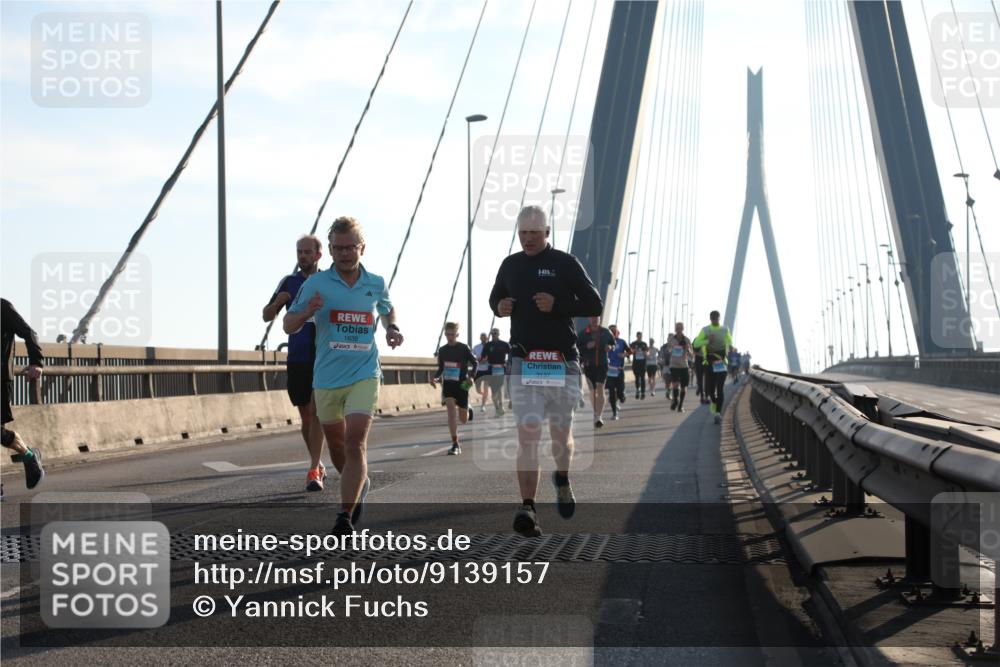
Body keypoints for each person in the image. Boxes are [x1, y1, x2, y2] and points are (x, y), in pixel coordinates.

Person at [284, 216, 403, 536]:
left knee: (355, 442)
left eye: (351, 247)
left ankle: (344, 516)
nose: (345, 254)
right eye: (338, 248)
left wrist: (392, 327)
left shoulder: (375, 282)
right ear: (331, 251)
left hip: (365, 372)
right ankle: (357, 482)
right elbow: (288, 325)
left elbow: (387, 308)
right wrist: (308, 311)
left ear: (362, 248)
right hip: (325, 377)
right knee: (337, 446)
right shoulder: (315, 284)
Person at [489, 205, 602, 537]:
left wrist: (558, 306)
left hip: (561, 362)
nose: (528, 239)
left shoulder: (564, 263)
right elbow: (495, 297)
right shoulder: (510, 265)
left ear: (547, 232)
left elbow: (594, 304)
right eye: (522, 232)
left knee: (560, 438)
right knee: (528, 436)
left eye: (534, 233)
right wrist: (500, 307)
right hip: (524, 362)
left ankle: (563, 478)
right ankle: (528, 508)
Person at [262, 235, 328, 491]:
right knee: (305, 416)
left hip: (322, 356)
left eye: (307, 252)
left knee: (315, 411)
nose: (303, 256)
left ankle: (313, 469)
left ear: (318, 255)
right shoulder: (288, 282)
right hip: (297, 358)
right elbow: (266, 316)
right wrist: (277, 303)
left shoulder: (327, 281)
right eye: (299, 252)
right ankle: (318, 462)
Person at [1, 299, 45, 492]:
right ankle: (29, 456)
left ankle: (28, 457)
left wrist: (36, 362)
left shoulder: (3, 308)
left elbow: (29, 333)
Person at [430, 322, 477, 455]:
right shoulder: (443, 350)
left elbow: (475, 363)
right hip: (449, 385)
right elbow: (441, 368)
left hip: (462, 385)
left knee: (463, 419)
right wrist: (435, 378)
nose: (450, 337)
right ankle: (455, 444)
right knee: (450, 410)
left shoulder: (464, 348)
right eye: (448, 334)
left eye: (452, 334)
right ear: (445, 334)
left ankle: (468, 407)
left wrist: (472, 377)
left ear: (457, 334)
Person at [692, 310, 733, 425]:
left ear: (719, 318)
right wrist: (707, 340)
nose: (715, 320)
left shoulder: (725, 329)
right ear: (710, 319)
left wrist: (727, 343)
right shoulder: (705, 330)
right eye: (713, 319)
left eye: (717, 318)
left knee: (720, 388)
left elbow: (730, 341)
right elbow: (696, 344)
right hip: (709, 362)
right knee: (710, 390)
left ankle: (718, 413)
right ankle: (714, 404)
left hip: (721, 362)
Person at [577, 315, 614, 428]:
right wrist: (586, 346)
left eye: (596, 318)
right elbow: (576, 349)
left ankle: (599, 416)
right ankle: (595, 412)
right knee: (592, 391)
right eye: (592, 318)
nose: (594, 320)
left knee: (600, 388)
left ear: (600, 319)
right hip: (589, 365)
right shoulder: (583, 334)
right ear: (589, 319)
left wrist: (610, 347)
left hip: (602, 365)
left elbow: (613, 343)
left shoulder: (606, 332)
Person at [661, 322, 693, 412]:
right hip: (674, 365)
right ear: (675, 329)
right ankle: (675, 400)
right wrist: (673, 347)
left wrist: (687, 348)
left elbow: (691, 353)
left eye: (680, 328)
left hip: (684, 365)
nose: (678, 329)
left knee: (684, 387)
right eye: (677, 328)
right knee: (675, 385)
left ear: (683, 328)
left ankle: (681, 405)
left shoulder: (687, 340)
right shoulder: (671, 339)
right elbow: (668, 350)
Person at [481, 328, 511, 417]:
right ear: (491, 334)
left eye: (495, 333)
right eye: (492, 333)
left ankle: (500, 407)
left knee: (499, 389)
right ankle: (497, 408)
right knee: (494, 391)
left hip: (501, 368)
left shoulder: (504, 344)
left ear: (499, 334)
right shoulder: (488, 345)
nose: (494, 334)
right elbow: (483, 357)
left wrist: (509, 364)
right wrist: (482, 360)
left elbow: (511, 354)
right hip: (491, 369)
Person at [606, 324, 629, 420]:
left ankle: (621, 395)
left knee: (621, 395)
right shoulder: (605, 342)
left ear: (617, 332)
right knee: (611, 392)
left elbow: (630, 352)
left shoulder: (622, 342)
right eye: (611, 331)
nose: (613, 333)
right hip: (609, 371)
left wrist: (624, 354)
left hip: (619, 371)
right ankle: (615, 413)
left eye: (614, 331)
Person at [472, 332, 490, 413]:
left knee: (486, 387)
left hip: (487, 370)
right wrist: (477, 359)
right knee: (478, 389)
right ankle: (484, 395)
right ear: (480, 338)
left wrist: (487, 359)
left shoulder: (490, 346)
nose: (483, 338)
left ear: (487, 338)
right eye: (482, 337)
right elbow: (472, 356)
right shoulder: (476, 347)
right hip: (478, 370)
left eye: (485, 337)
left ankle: (483, 405)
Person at [629, 332, 649, 399]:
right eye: (638, 336)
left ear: (642, 336)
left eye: (640, 336)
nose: (639, 337)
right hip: (636, 363)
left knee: (643, 378)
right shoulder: (633, 344)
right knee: (637, 378)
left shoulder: (644, 344)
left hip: (643, 363)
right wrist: (634, 351)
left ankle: (643, 393)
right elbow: (630, 351)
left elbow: (647, 353)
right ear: (636, 336)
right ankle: (638, 390)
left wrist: (644, 353)